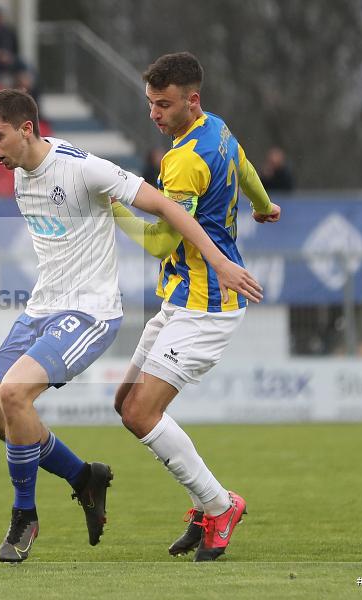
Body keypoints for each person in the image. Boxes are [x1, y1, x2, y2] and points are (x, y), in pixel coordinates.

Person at [0, 89, 262, 563]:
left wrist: (221, 262)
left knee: (15, 396)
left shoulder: (86, 167)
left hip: (89, 311)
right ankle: (83, 477)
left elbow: (168, 211)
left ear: (27, 128)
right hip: (41, 308)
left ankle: (24, 516)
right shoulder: (22, 176)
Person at [110, 52, 281, 562]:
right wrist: (263, 204)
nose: (155, 115)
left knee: (141, 412)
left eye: (163, 105)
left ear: (192, 100)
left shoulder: (182, 161)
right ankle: (207, 505)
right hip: (180, 298)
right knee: (125, 405)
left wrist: (111, 207)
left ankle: (218, 505)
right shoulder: (218, 130)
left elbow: (163, 243)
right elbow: (247, 167)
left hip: (206, 306)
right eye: (150, 104)